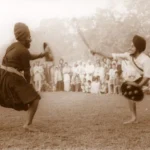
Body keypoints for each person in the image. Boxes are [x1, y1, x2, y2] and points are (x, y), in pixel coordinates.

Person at [0, 22, 53, 131]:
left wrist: (43, 54)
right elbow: (27, 72)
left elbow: (28, 56)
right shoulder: (23, 51)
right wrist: (29, 87)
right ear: (24, 37)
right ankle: (28, 124)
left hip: (2, 74)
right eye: (29, 37)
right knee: (35, 98)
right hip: (12, 77)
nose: (31, 39)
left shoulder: (13, 46)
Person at [91, 35, 150, 124]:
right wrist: (96, 52)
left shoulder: (146, 60)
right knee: (130, 92)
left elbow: (147, 76)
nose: (130, 48)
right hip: (143, 77)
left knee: (133, 87)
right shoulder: (128, 55)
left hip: (146, 77)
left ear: (138, 48)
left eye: (132, 46)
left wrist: (138, 86)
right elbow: (111, 56)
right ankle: (134, 118)